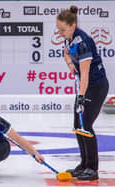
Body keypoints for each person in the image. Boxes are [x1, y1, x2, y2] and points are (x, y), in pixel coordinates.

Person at [56, 5, 109, 180]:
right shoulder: (69, 39)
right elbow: (65, 53)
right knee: (77, 126)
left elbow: (85, 74)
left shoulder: (83, 42)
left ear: (72, 25)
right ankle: (84, 164)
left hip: (96, 86)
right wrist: (71, 65)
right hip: (86, 87)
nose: (60, 32)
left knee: (85, 126)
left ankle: (93, 169)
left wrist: (80, 97)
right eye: (58, 29)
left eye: (62, 29)